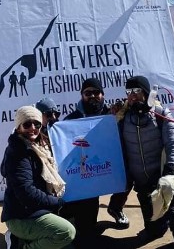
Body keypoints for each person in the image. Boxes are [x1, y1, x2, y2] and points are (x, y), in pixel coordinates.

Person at [117, 75, 174, 249]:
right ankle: (156, 229)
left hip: (162, 178)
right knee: (153, 224)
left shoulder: (161, 114)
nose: (132, 95)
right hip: (142, 182)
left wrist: (173, 170)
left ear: (146, 93)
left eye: (137, 91)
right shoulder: (122, 118)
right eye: (129, 92)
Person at [0, 105, 75, 249]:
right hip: (21, 216)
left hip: (34, 209)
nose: (32, 128)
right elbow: (26, 192)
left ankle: (20, 238)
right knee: (66, 232)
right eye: (27, 124)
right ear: (18, 127)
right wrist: (57, 202)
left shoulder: (40, 145)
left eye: (37, 124)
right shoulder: (19, 153)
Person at [60, 78, 109, 242]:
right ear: (82, 96)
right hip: (82, 175)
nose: (93, 96)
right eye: (88, 93)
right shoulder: (70, 120)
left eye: (97, 92)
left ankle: (114, 211)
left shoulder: (113, 116)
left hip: (106, 169)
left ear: (103, 94)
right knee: (83, 211)